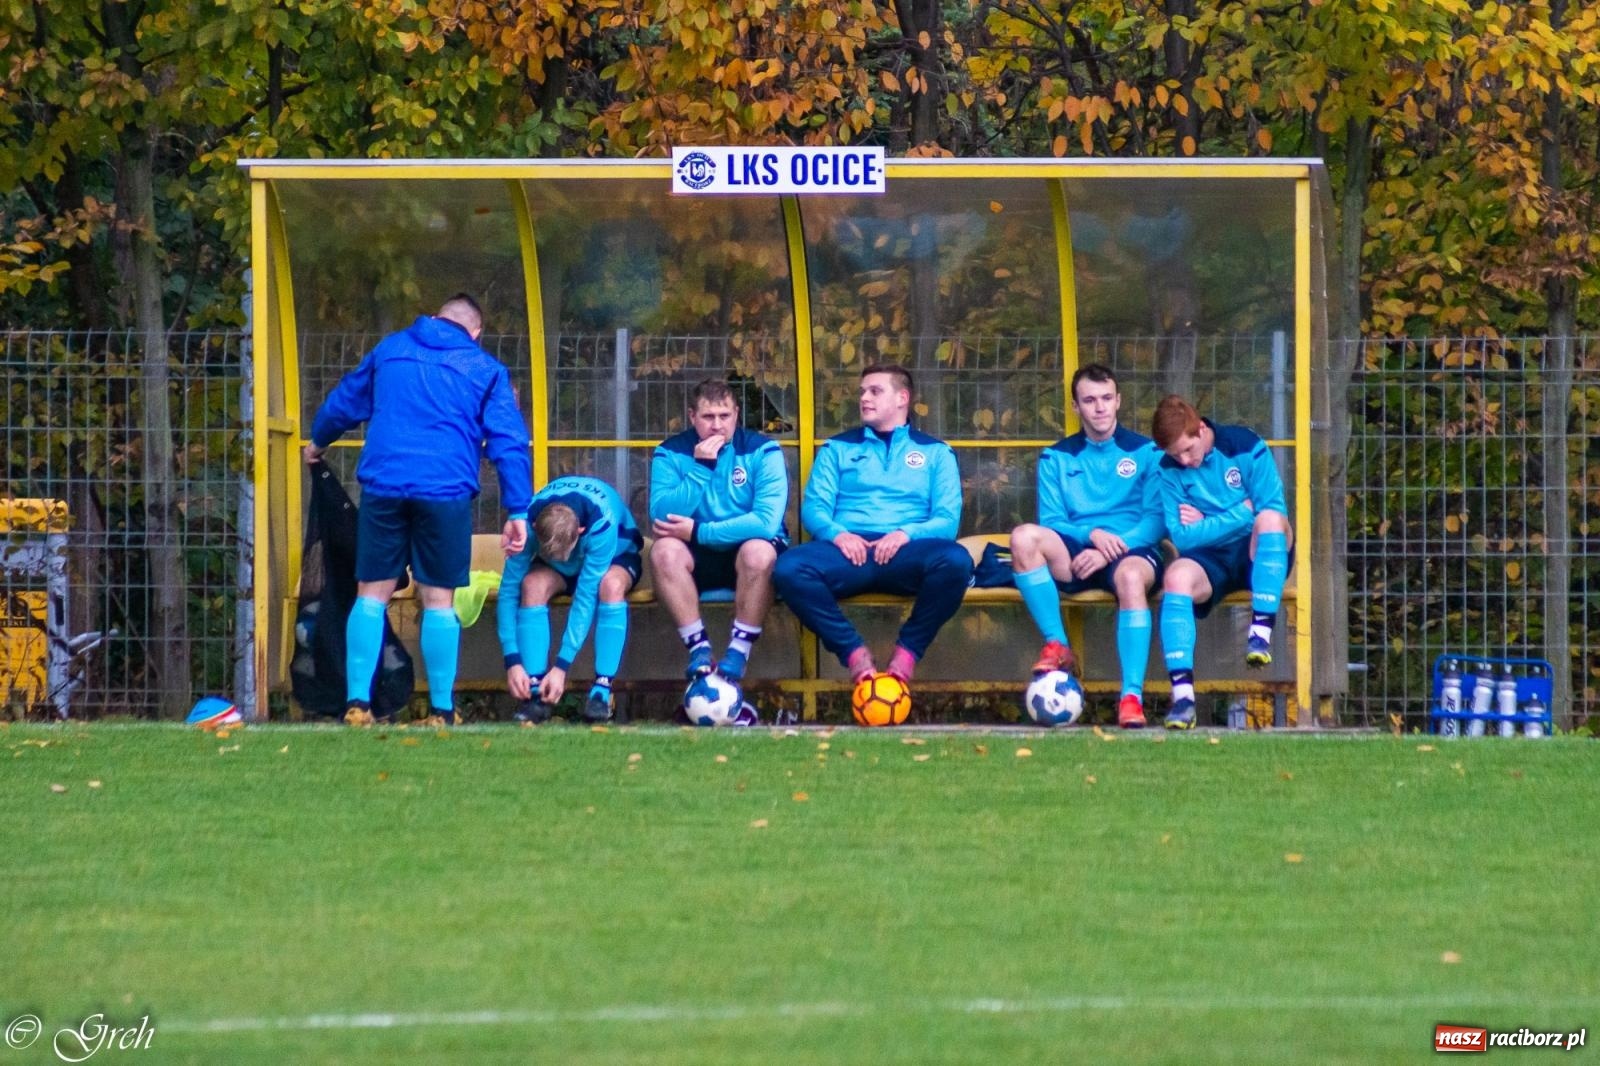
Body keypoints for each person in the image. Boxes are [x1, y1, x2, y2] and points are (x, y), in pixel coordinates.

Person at [304, 293, 531, 726]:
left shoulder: (390, 349)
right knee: (438, 600)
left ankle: (357, 705)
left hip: (385, 486)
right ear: (476, 332)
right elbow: (508, 442)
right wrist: (517, 508)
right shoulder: (486, 371)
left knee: (372, 594)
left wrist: (318, 441)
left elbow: (346, 399)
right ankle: (442, 711)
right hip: (444, 492)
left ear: (432, 318)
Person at [772, 363, 973, 684]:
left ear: (901, 398)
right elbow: (815, 510)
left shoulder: (936, 452)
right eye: (862, 391)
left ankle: (907, 654)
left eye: (875, 391)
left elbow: (947, 521)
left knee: (956, 561)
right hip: (850, 552)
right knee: (788, 568)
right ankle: (854, 654)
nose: (864, 398)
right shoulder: (837, 448)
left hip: (908, 552)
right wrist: (839, 535)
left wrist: (905, 534)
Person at [1010, 363, 1166, 729]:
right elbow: (1052, 521)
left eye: (1107, 398)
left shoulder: (1148, 453)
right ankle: (1059, 646)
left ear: (1119, 402)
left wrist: (1113, 546)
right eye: (1090, 400)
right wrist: (1091, 535)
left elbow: (1156, 521)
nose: (1100, 408)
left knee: (1129, 577)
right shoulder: (1056, 457)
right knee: (1023, 538)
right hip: (1077, 553)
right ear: (1076, 407)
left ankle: (1131, 698)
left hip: (1132, 552)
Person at [1150, 395, 1293, 730]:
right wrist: (1239, 512)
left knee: (1270, 520)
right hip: (1210, 557)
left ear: (1201, 429)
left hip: (1257, 548)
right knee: (1176, 577)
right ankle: (1183, 698)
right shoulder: (1168, 471)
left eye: (1188, 449)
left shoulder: (1245, 445)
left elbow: (1271, 507)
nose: (1184, 461)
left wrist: (1207, 520)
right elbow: (1182, 538)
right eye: (1175, 455)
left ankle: (1260, 633)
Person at [649, 379, 789, 683]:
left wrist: (699, 531)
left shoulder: (763, 450)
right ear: (692, 417)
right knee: (663, 551)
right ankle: (699, 649)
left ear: (736, 415)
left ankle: (738, 653)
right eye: (708, 417)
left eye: (724, 416)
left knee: (758, 551)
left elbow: (765, 522)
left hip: (746, 550)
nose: (716, 426)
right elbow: (662, 516)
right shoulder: (670, 453)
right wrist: (701, 469)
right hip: (698, 557)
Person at [498, 475, 643, 724]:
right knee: (531, 584)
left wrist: (561, 667)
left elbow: (585, 598)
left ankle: (602, 690)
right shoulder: (526, 525)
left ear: (580, 531)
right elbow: (508, 591)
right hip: (563, 562)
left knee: (611, 586)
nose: (563, 559)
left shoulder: (600, 522)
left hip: (615, 556)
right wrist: (512, 660)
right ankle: (535, 693)